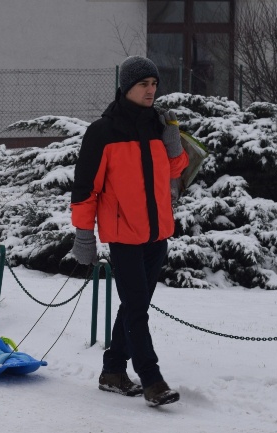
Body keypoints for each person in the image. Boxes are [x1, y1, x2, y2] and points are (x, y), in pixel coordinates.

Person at [70, 56, 189, 407]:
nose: (151, 90)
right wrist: (83, 235)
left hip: (157, 233)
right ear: (127, 87)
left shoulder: (158, 124)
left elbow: (177, 170)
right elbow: (84, 189)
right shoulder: (103, 133)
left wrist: (173, 140)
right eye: (144, 85)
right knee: (137, 308)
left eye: (154, 84)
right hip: (123, 235)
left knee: (134, 304)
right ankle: (152, 380)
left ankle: (112, 371)